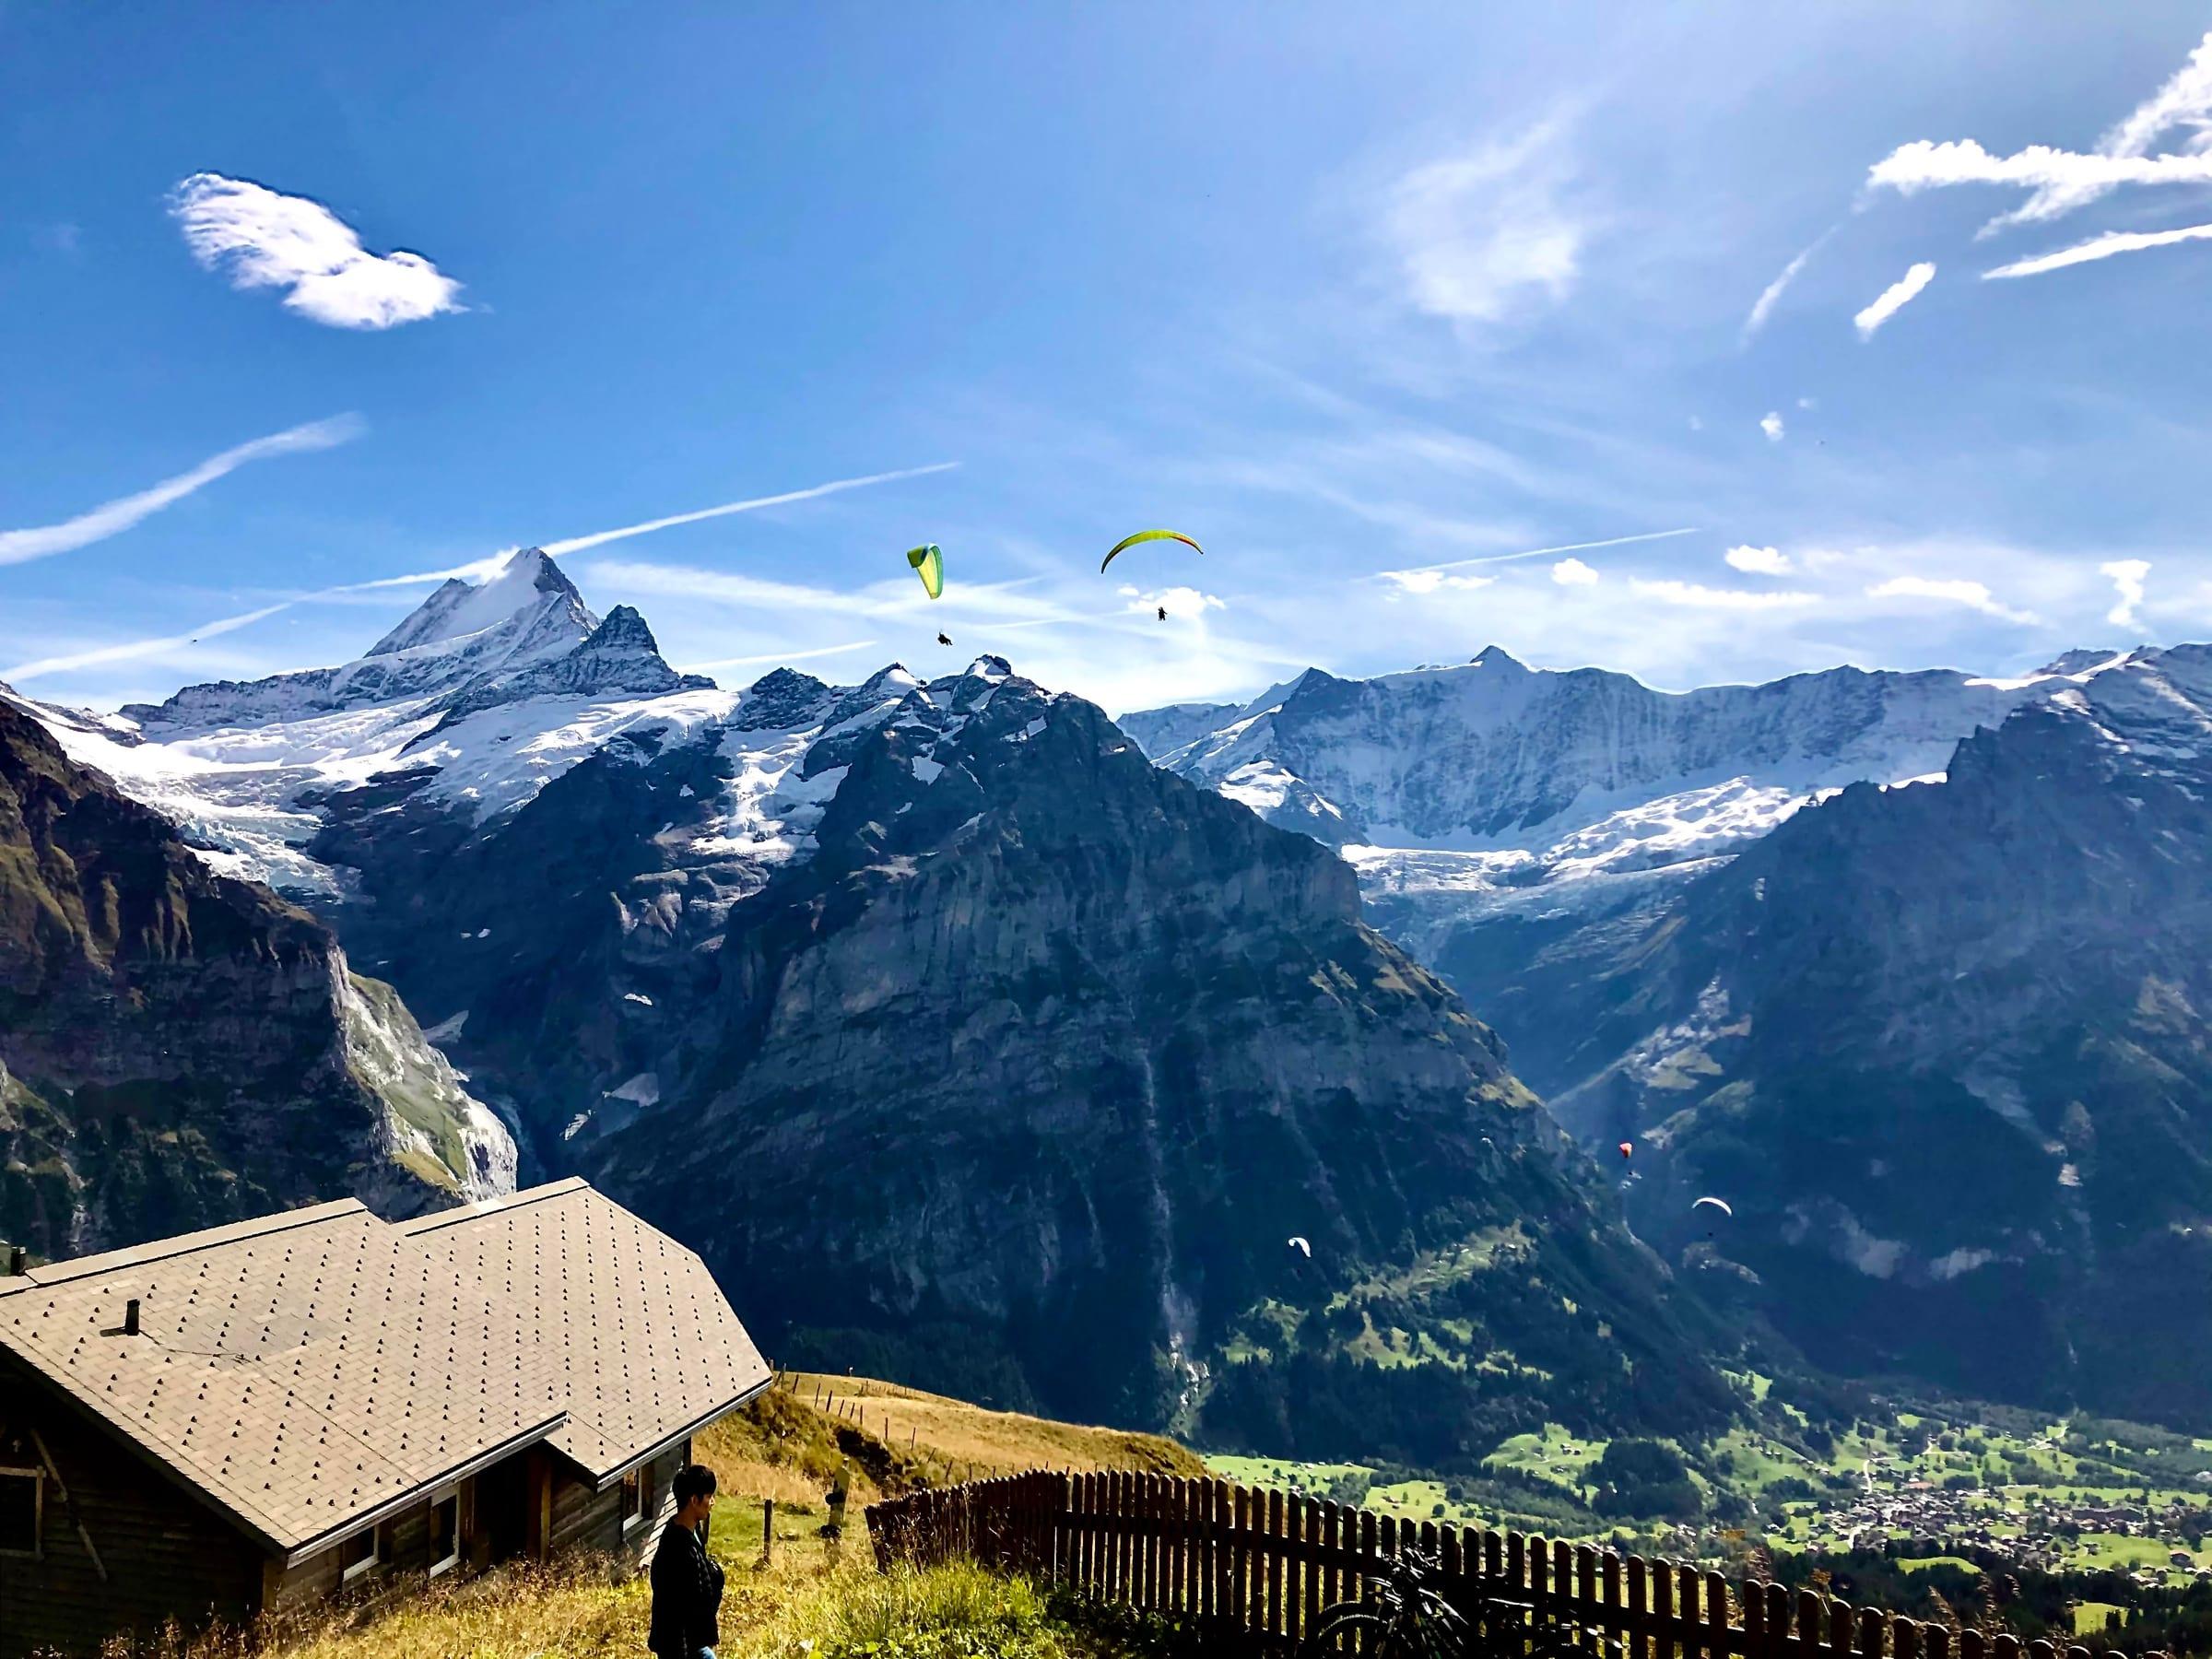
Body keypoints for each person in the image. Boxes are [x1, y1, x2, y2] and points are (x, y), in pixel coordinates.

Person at [649, 1464, 724, 1659]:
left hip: (695, 1641)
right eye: (708, 1497)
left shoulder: (693, 1532)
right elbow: (673, 1614)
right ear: (694, 1500)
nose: (712, 1502)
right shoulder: (676, 1550)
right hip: (683, 1647)